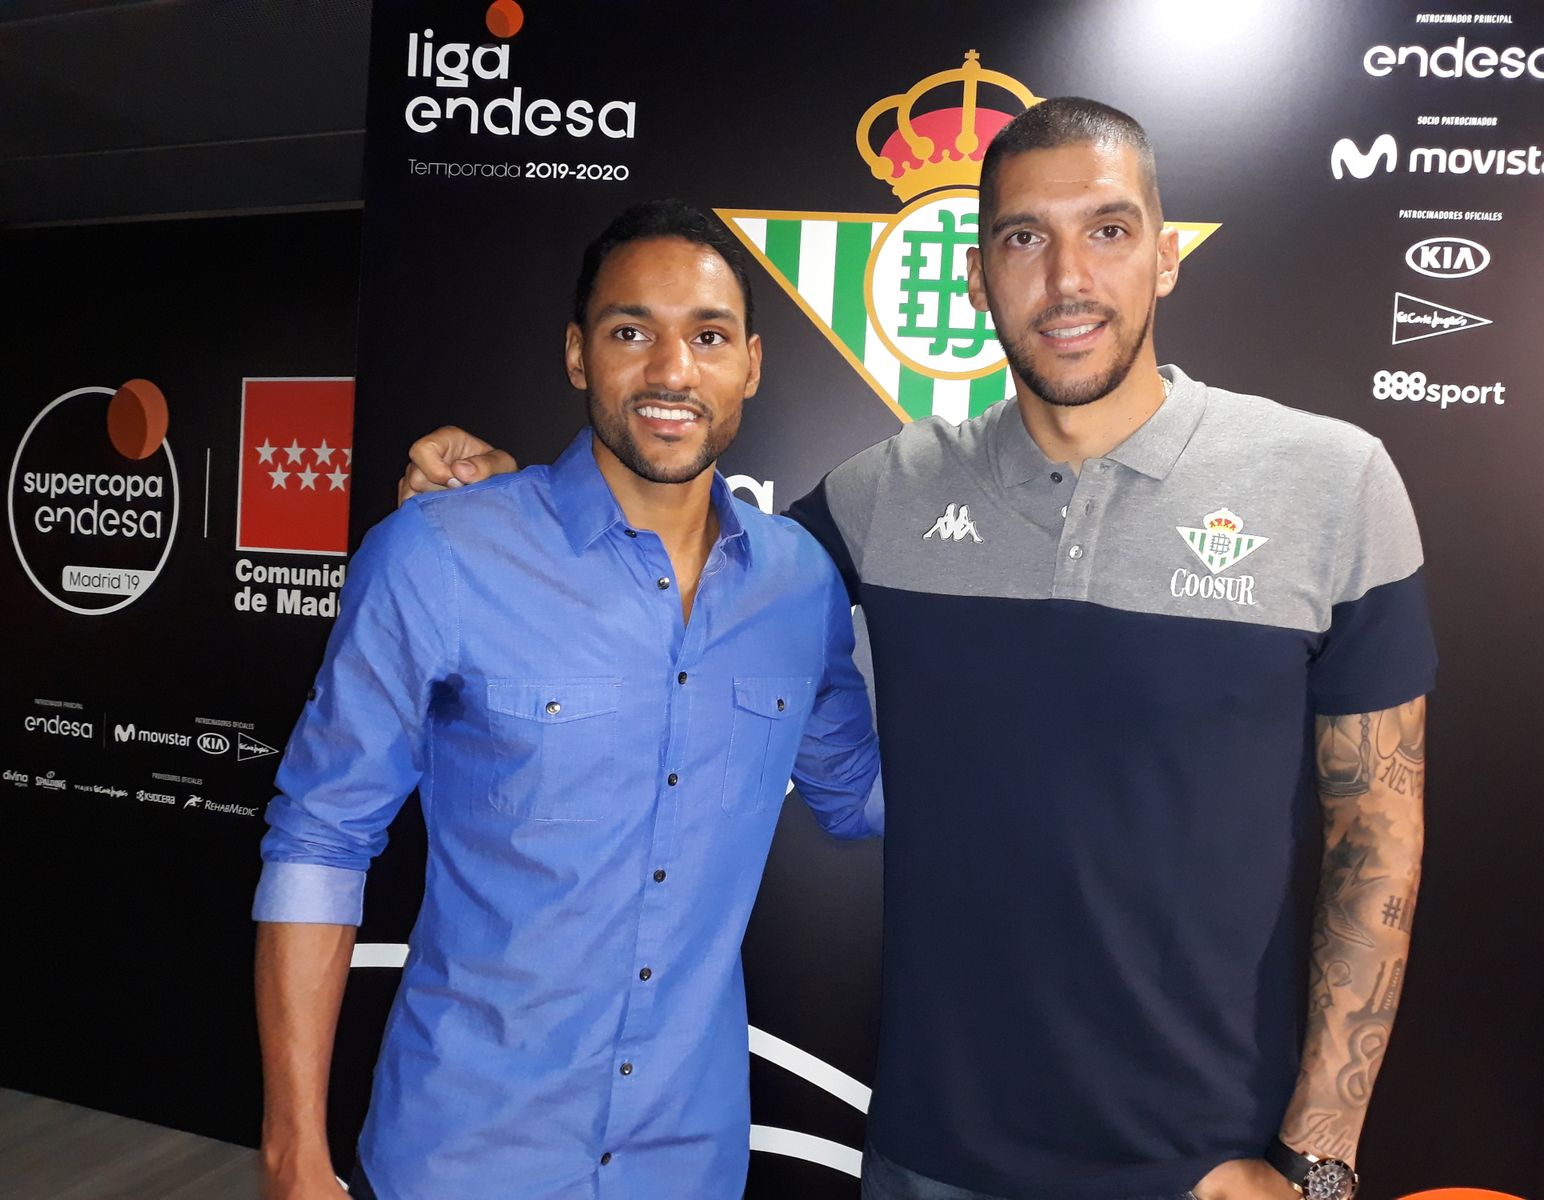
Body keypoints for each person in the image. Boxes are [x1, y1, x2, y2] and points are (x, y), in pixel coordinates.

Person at [403, 99, 1433, 1200]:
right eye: (1023, 239)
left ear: (1165, 256)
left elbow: (1377, 824)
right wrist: (501, 504)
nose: (1066, 278)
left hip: (1200, 1169)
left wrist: (1315, 1158)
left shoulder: (1332, 483)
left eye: (1108, 229)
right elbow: (678, 555)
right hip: (929, 1157)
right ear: (980, 276)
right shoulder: (886, 493)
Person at [254, 199, 882, 1200]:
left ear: (751, 366)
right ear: (578, 354)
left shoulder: (800, 585)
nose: (672, 372)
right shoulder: (440, 553)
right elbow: (318, 844)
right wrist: (293, 1153)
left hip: (687, 1164)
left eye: (707, 337)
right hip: (461, 1158)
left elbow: (863, 794)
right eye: (632, 331)